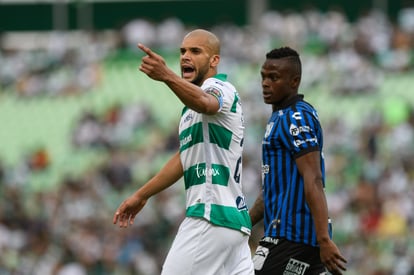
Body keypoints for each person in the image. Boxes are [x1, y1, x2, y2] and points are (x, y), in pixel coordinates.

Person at [113, 29, 254, 275]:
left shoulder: (220, 87)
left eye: (195, 51)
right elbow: (183, 159)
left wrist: (166, 75)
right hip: (233, 225)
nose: (185, 57)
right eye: (182, 51)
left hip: (211, 214)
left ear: (214, 60)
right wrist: (142, 195)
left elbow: (206, 103)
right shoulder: (188, 112)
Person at [249, 47, 347, 275]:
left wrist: (324, 239)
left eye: (274, 77)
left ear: (294, 81)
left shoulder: (296, 117)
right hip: (290, 236)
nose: (265, 83)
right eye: (263, 76)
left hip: (292, 236)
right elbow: (271, 191)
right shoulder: (279, 118)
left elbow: (313, 178)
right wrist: (241, 224)